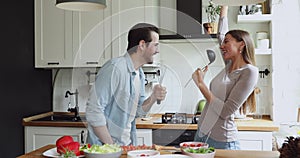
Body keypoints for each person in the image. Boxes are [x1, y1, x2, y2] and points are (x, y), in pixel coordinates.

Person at [85, 23, 167, 146]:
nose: (157, 50)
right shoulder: (115, 68)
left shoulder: (139, 74)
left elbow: (139, 112)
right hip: (104, 150)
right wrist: (111, 147)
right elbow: (93, 111)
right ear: (142, 45)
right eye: (155, 45)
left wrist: (153, 97)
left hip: (126, 145)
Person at [192, 6, 259, 150]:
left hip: (222, 142)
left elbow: (225, 112)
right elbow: (221, 34)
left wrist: (201, 85)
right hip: (201, 136)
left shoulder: (249, 72)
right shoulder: (229, 65)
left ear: (241, 45)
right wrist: (224, 5)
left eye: (226, 42)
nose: (221, 46)